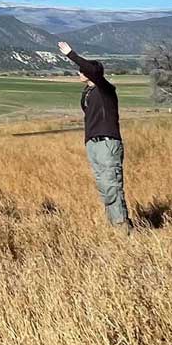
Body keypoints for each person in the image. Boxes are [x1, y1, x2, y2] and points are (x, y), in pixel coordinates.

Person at [58, 41, 130, 232]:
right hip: (93, 144)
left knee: (111, 184)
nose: (79, 72)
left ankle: (122, 227)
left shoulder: (106, 90)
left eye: (82, 70)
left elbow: (94, 71)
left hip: (107, 143)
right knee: (104, 186)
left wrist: (71, 54)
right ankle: (113, 225)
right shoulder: (89, 92)